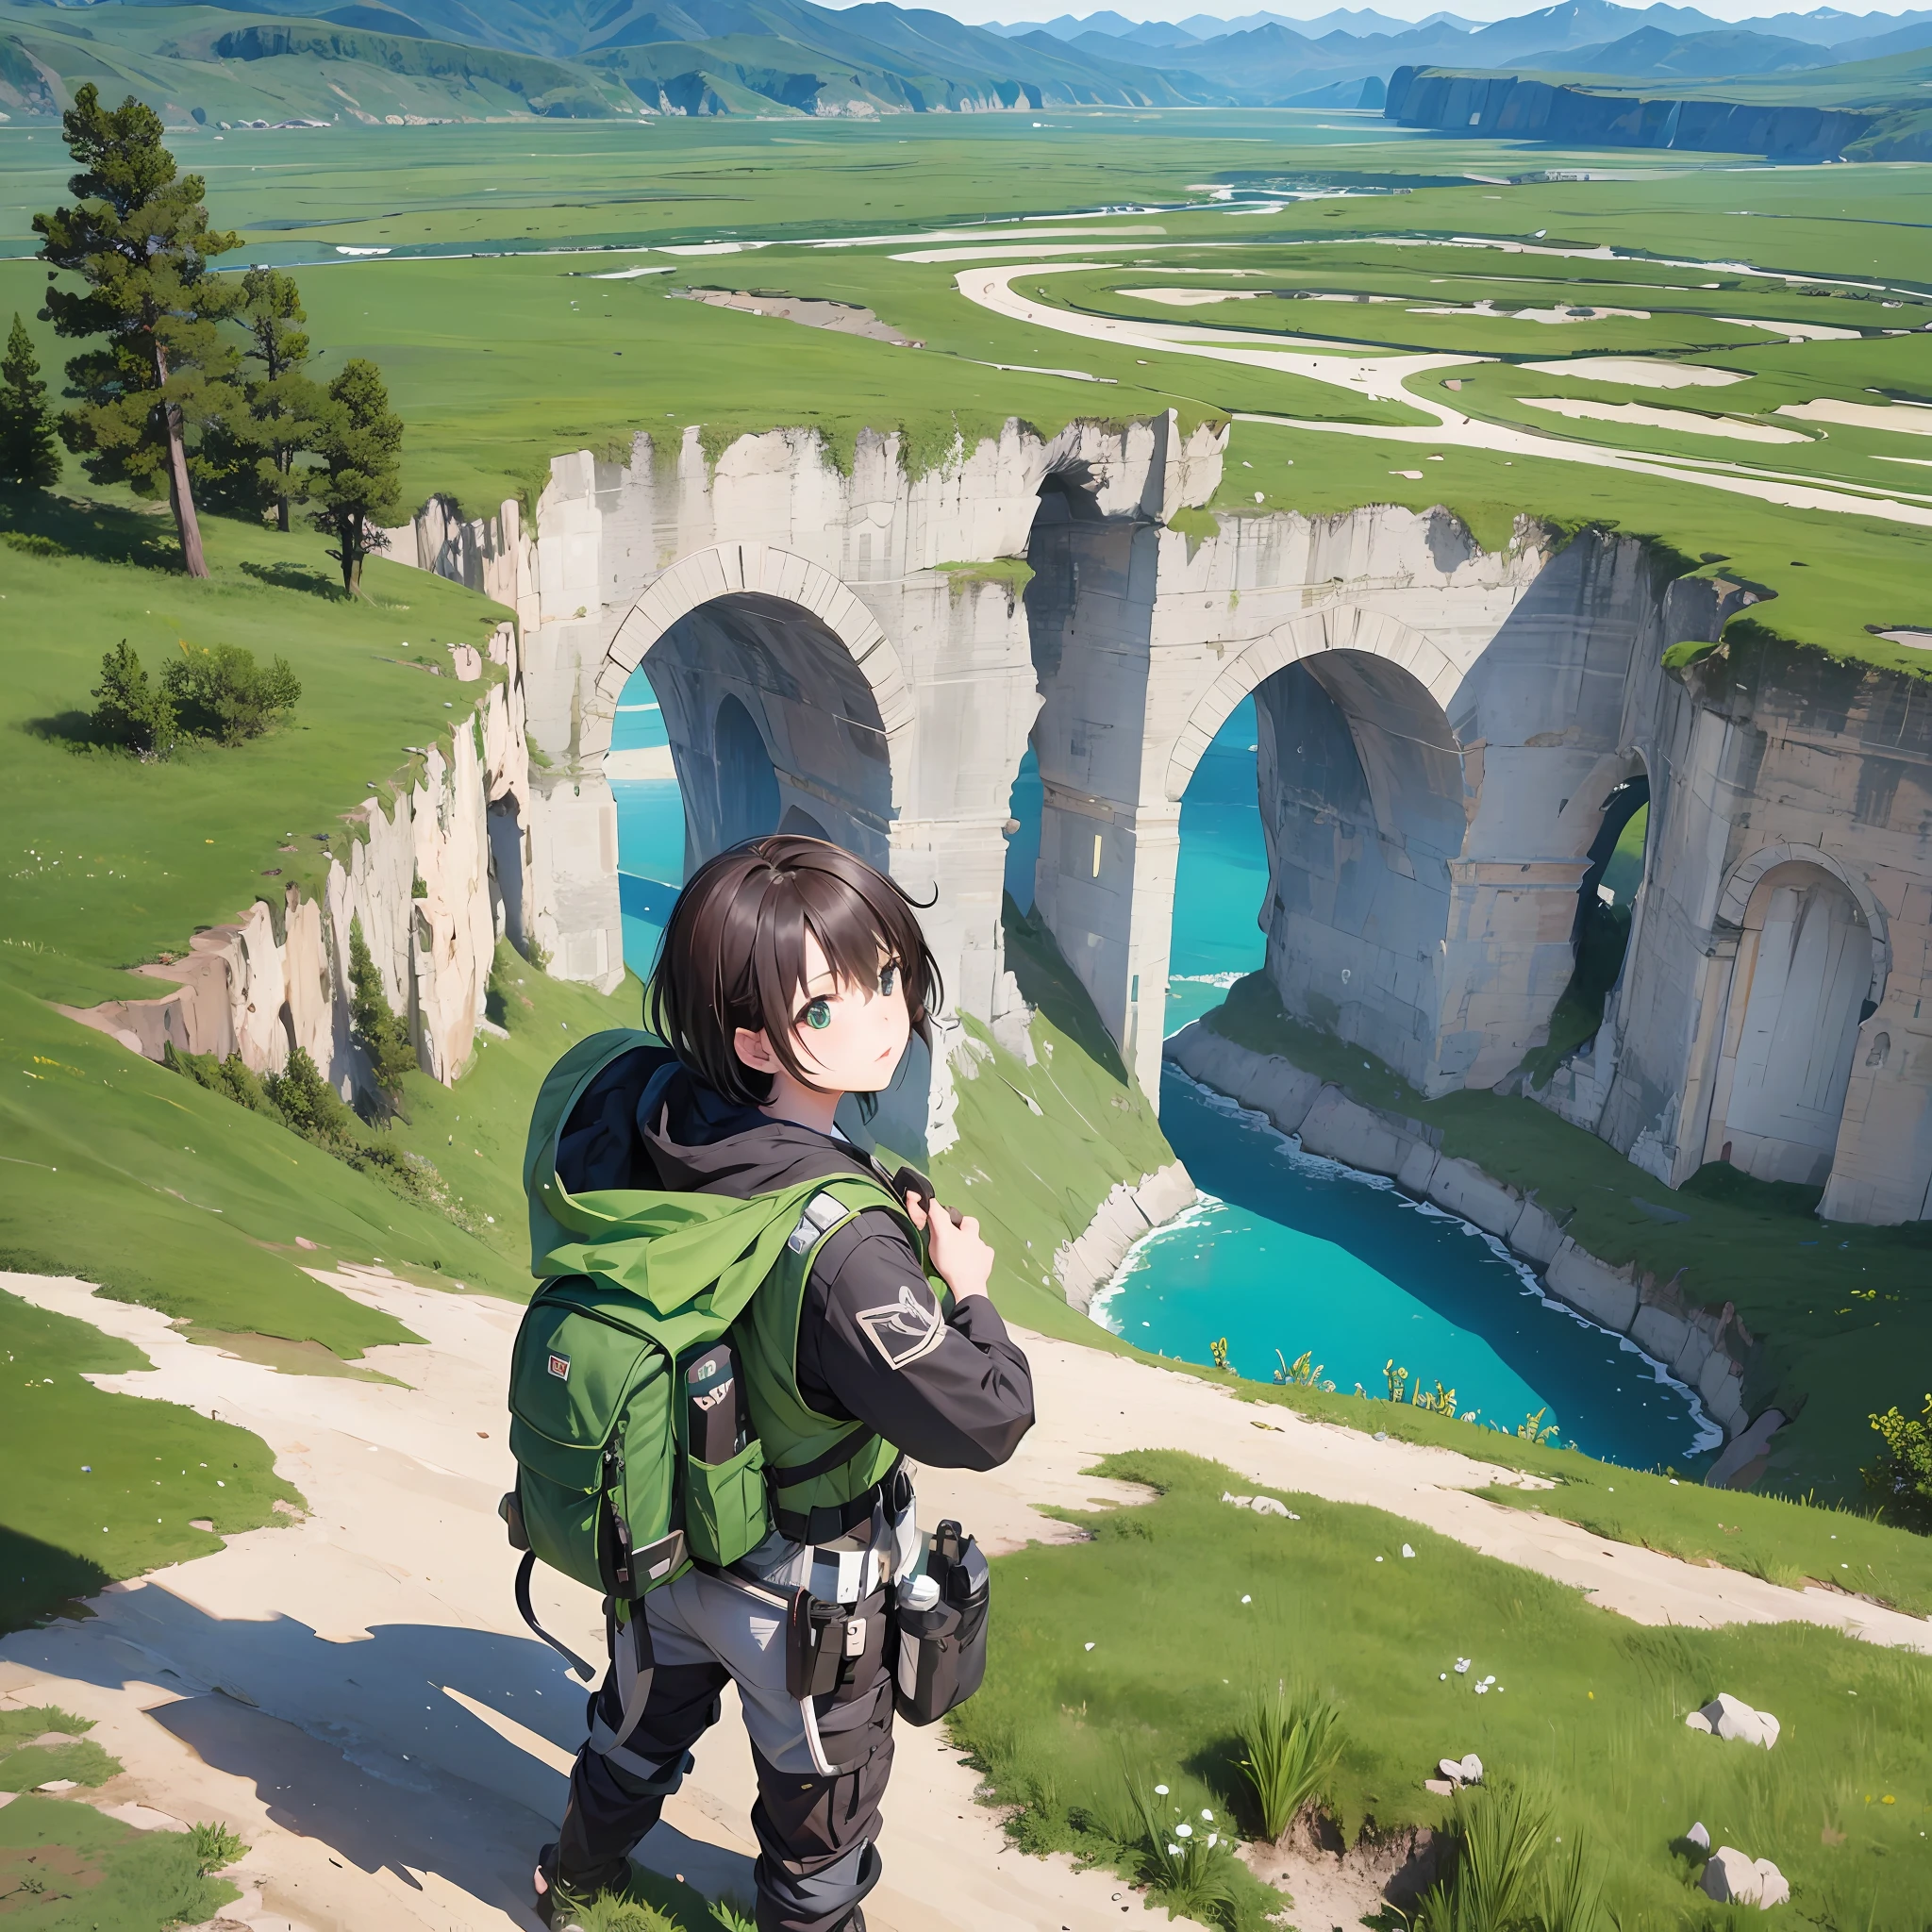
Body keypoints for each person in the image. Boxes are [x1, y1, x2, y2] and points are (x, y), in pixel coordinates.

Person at [532, 834, 1035, 1932]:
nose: (881, 1013)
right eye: (826, 1005)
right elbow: (988, 1411)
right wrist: (968, 1290)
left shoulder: (659, 1113)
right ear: (756, 1036)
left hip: (663, 1549)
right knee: (819, 1828)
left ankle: (567, 1883)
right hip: (800, 1591)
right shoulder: (843, 1248)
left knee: (629, 1738)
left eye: (886, 976)